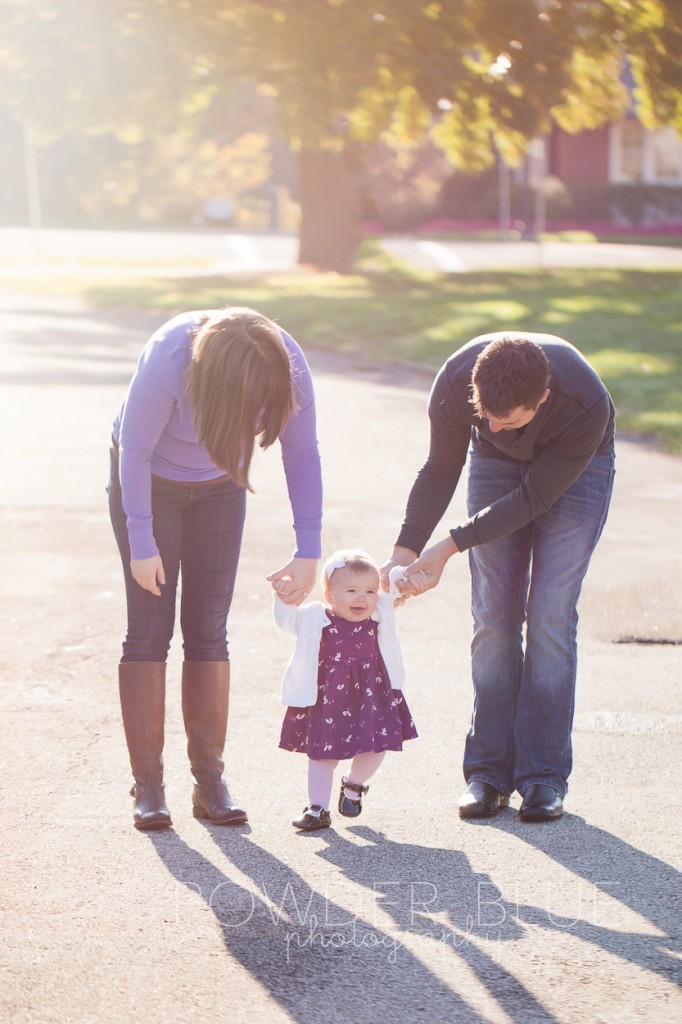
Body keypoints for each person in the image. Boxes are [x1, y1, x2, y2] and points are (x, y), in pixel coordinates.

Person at [382, 333, 615, 822]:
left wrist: (447, 548)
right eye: (484, 414)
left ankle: (543, 778)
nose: (490, 425)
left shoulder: (583, 401)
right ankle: (486, 774)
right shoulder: (456, 384)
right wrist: (403, 554)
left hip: (579, 470)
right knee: (493, 615)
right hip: (494, 465)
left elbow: (534, 501)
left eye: (504, 419)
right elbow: (441, 467)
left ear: (542, 398)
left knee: (550, 613)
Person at [108, 307, 322, 831]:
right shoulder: (171, 357)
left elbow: (302, 454)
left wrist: (308, 550)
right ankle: (149, 786)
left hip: (221, 488)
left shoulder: (285, 361)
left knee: (208, 630)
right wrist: (141, 541)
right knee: (149, 630)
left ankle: (209, 783)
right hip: (149, 485)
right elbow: (133, 452)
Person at [273, 550, 417, 832]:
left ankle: (355, 784)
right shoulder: (317, 619)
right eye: (350, 590)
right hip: (329, 700)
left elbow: (396, 585)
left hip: (372, 697)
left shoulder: (379, 616)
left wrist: (403, 576)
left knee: (377, 746)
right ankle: (318, 808)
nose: (361, 598)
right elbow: (287, 619)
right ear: (329, 596)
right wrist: (284, 595)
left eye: (369, 591)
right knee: (322, 754)